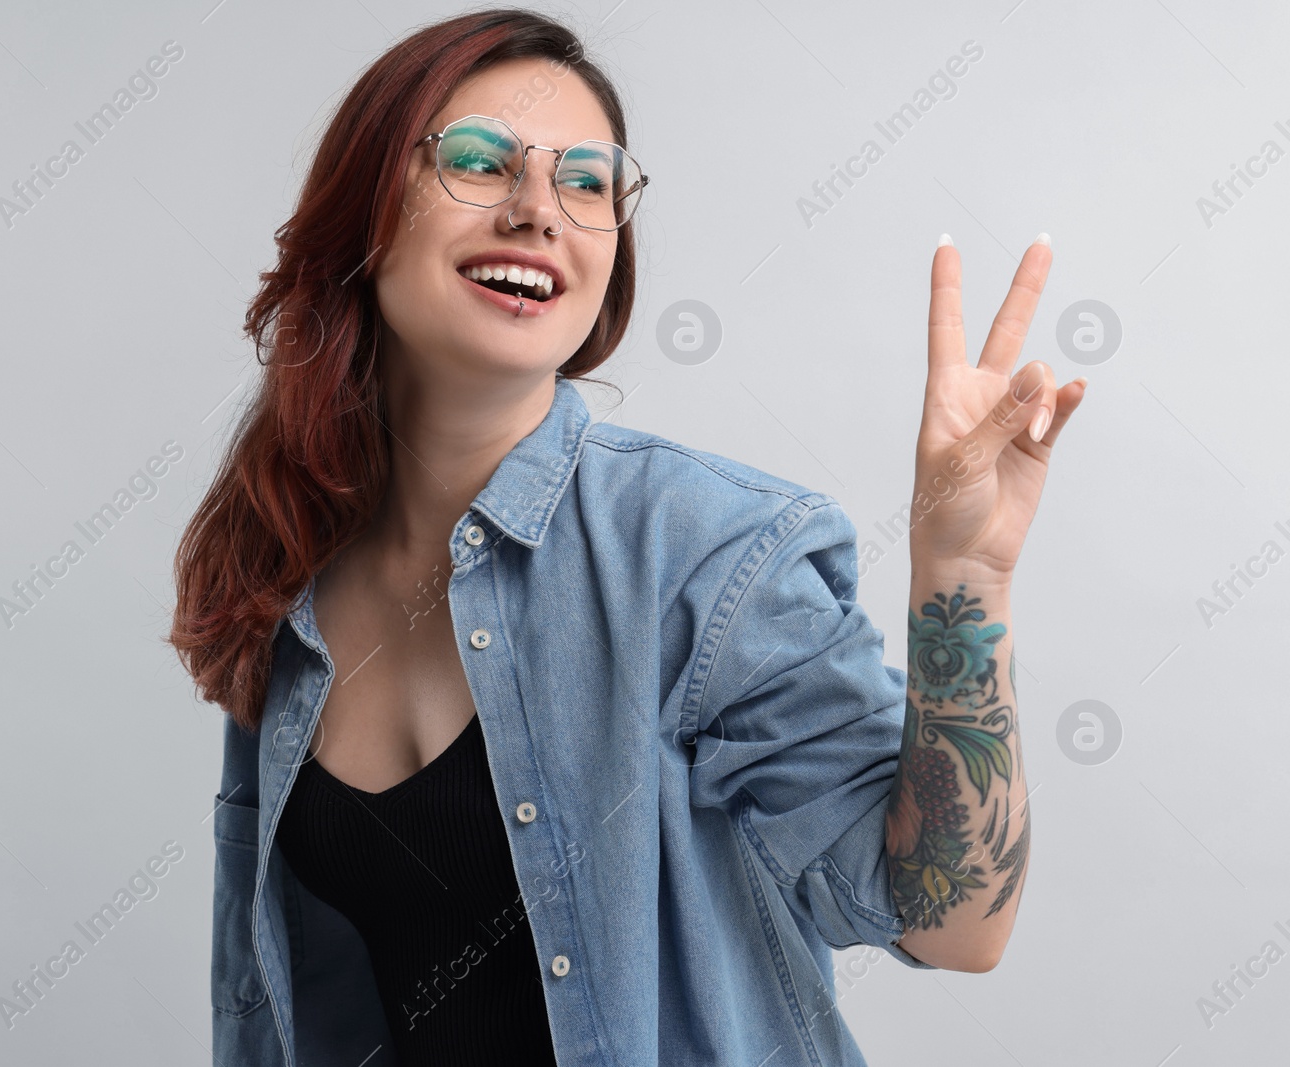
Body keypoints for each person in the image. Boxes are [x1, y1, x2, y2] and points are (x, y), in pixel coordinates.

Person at [169, 8, 1088, 1066]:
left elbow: (949, 919)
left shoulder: (702, 551)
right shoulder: (286, 569)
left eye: (587, 181)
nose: (537, 211)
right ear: (365, 208)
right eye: (479, 160)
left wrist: (963, 576)